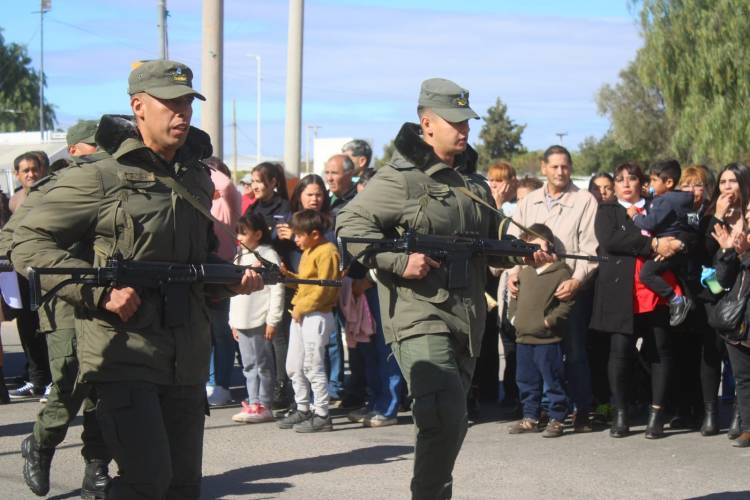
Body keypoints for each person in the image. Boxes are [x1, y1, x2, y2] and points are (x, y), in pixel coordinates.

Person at [11, 59, 263, 499]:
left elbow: (195, 261)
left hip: (185, 355)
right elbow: (27, 243)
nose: (181, 113)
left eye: (186, 102)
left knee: (183, 486)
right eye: (169, 103)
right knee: (148, 481)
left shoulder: (196, 178)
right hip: (123, 351)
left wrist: (230, 280)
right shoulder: (99, 176)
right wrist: (97, 292)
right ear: (138, 107)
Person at [336, 78, 546, 499]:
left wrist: (525, 248)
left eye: (467, 120)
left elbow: (491, 241)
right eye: (454, 121)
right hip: (418, 315)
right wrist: (399, 261)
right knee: (444, 415)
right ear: (427, 123)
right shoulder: (399, 178)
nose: (464, 129)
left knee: (451, 420)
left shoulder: (474, 184)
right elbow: (349, 224)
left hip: (466, 318)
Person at [1, 120, 112, 497]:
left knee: (106, 386)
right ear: (77, 150)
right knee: (70, 382)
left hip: (111, 299)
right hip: (65, 300)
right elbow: (11, 239)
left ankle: (96, 466)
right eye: (98, 148)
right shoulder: (50, 189)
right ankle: (41, 444)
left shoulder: (119, 183)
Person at [508, 145, 599, 432]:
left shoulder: (584, 200)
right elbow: (512, 241)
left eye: (566, 166)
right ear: (543, 168)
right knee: (535, 359)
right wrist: (513, 271)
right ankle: (537, 414)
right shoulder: (529, 201)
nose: (561, 171)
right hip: (533, 289)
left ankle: (581, 410)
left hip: (567, 289)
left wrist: (576, 280)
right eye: (555, 166)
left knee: (573, 354)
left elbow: (590, 249)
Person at [590, 162, 684, 438]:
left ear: (642, 183)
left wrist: (671, 244)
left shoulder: (659, 205)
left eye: (632, 178)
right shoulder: (608, 210)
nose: (626, 183)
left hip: (655, 290)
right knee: (619, 353)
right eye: (620, 179)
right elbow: (611, 241)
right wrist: (652, 244)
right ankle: (620, 413)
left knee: (659, 350)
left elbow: (675, 235)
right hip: (621, 291)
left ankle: (657, 413)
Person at [507, 223, 574, 438]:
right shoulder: (524, 273)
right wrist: (514, 318)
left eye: (537, 246)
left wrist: (549, 322)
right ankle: (530, 417)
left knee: (552, 379)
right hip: (523, 337)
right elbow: (514, 299)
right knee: (525, 380)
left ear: (549, 247)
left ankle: (557, 418)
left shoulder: (561, 272)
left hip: (547, 339)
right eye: (527, 247)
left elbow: (566, 304)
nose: (533, 252)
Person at [277, 209, 341, 433]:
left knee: (313, 366)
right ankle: (303, 407)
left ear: (314, 233)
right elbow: (306, 283)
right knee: (294, 366)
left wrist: (302, 307)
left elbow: (326, 288)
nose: (296, 240)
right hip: (300, 315)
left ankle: (322, 414)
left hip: (316, 316)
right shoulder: (308, 250)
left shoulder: (328, 251)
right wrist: (287, 277)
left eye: (299, 235)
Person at [701, 163, 750, 438]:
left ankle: (741, 418)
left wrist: (739, 250)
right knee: (726, 360)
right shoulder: (713, 215)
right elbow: (704, 250)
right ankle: (736, 419)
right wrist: (717, 216)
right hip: (719, 292)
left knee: (743, 366)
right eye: (723, 182)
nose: (727, 187)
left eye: (733, 181)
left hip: (745, 290)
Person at [244, 161, 294, 411]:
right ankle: (264, 385)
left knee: (278, 335)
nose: (255, 186)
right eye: (252, 181)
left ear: (273, 182)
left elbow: (286, 241)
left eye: (259, 181)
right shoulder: (252, 208)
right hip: (256, 279)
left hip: (279, 276)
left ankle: (282, 386)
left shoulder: (285, 208)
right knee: (259, 332)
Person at [230, 213, 284, 424]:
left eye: (244, 233)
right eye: (238, 232)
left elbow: (277, 288)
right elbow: (233, 292)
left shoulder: (268, 254)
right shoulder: (239, 255)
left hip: (260, 320)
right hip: (241, 321)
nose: (239, 237)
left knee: (263, 364)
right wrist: (232, 321)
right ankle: (253, 402)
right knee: (248, 365)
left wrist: (273, 320)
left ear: (258, 234)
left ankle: (265, 404)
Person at [627, 160, 694, 326]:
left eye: (654, 180)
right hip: (676, 247)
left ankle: (676, 300)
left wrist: (634, 215)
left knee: (646, 274)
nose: (651, 184)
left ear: (669, 182)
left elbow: (649, 223)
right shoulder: (680, 199)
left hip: (667, 247)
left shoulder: (664, 201)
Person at [6, 153, 49, 401]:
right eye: (25, 170)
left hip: (47, 272)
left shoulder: (52, 193)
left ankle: (54, 381)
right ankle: (37, 379)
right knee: (27, 326)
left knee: (51, 328)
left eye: (35, 169)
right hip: (21, 274)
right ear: (17, 175)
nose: (31, 174)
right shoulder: (14, 201)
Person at [204, 158, 242, 406]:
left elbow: (227, 186)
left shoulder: (227, 201)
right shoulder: (200, 202)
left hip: (223, 271)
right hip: (203, 270)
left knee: (221, 333)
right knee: (204, 333)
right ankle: (208, 381)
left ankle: (222, 384)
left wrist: (205, 167)